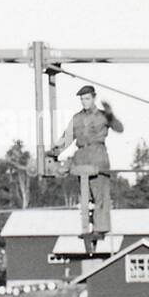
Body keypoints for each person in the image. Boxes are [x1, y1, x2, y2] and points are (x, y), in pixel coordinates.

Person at [49, 84, 123, 236]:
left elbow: (119, 128)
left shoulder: (103, 116)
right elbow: (67, 137)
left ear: (94, 98)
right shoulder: (77, 118)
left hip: (98, 154)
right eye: (82, 99)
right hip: (82, 156)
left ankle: (100, 229)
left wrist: (110, 114)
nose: (84, 102)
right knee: (85, 196)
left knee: (100, 194)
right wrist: (54, 152)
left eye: (87, 99)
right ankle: (87, 227)